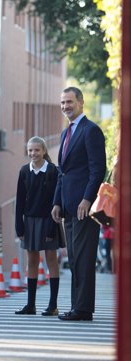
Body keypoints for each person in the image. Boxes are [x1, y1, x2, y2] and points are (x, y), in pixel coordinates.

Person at [52, 87, 106, 321]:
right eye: (63, 103)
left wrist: (87, 198)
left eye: (70, 102)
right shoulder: (66, 134)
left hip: (85, 207)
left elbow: (97, 170)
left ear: (81, 103)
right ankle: (78, 306)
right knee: (74, 258)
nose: (66, 106)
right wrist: (56, 202)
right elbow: (62, 173)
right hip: (67, 206)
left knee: (83, 259)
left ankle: (83, 309)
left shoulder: (91, 131)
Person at [15, 136, 64, 316]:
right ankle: (31, 305)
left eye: (37, 150)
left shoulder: (53, 171)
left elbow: (56, 201)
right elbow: (19, 201)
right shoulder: (24, 171)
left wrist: (52, 226)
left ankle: (53, 306)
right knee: (32, 261)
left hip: (48, 220)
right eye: (30, 150)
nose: (33, 153)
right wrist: (19, 226)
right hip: (29, 221)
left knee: (51, 260)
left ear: (44, 151)